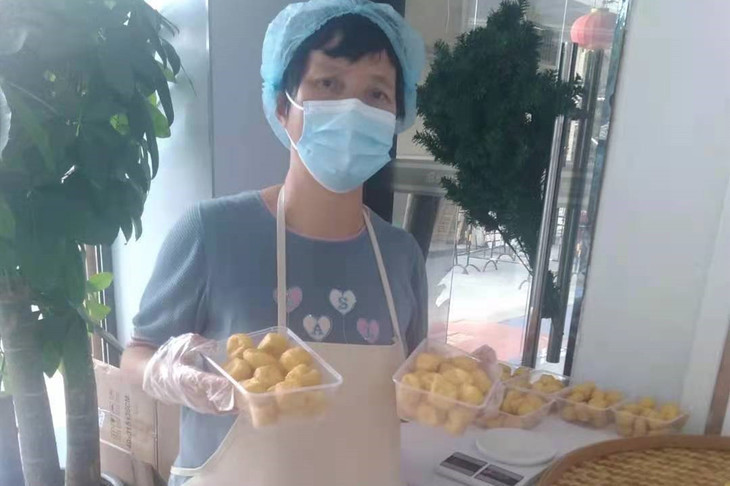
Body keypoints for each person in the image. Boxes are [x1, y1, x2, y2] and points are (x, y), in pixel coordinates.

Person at [121, 2, 430, 485]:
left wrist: (468, 392)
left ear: (396, 118)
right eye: (328, 83)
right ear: (283, 107)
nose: (354, 109)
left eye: (377, 93)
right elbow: (137, 352)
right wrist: (171, 374)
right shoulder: (212, 233)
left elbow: (405, 398)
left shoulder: (400, 255)